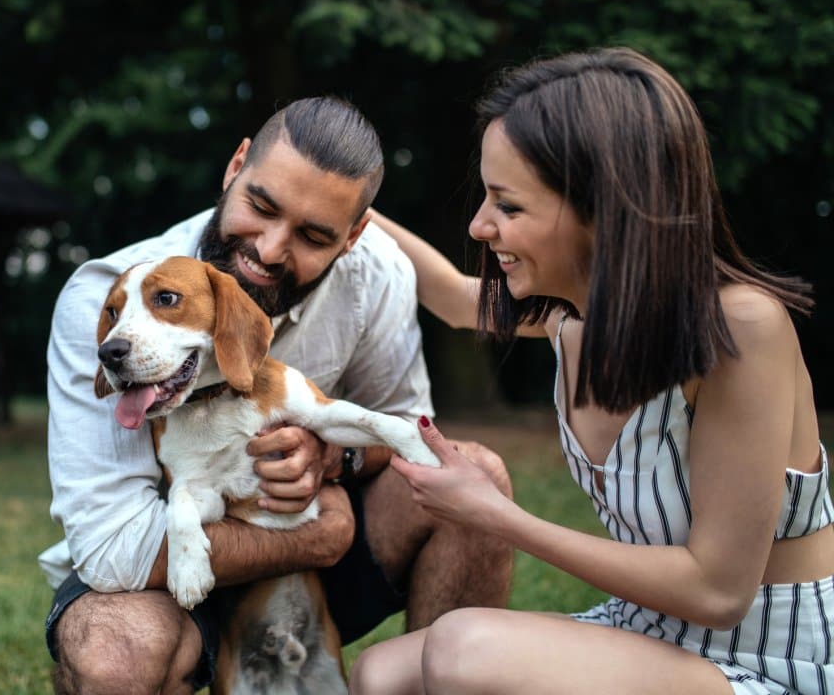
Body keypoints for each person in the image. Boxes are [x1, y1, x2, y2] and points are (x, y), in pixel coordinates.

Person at [351, 47, 832, 694]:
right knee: (382, 672)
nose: (479, 224)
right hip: (648, 635)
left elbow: (719, 592)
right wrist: (332, 203)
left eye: (509, 205)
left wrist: (497, 515)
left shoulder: (740, 329)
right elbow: (450, 295)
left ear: (605, 210)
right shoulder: (569, 320)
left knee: (465, 650)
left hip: (769, 663)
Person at [40, 96, 515, 694]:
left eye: (314, 235)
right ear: (235, 166)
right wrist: (315, 537)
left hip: (313, 560)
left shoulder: (376, 274)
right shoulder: (108, 301)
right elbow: (113, 549)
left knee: (476, 479)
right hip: (162, 573)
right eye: (260, 206)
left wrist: (332, 457)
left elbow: (405, 426)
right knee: (115, 656)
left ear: (352, 237)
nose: (267, 251)